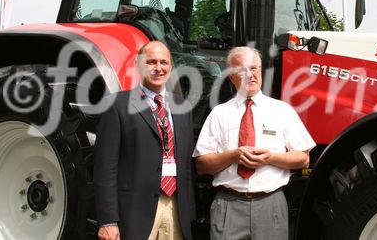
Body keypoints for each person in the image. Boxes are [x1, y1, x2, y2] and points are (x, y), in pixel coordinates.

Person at [193, 46, 316, 239]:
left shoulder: (282, 110)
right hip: (228, 206)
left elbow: (303, 159)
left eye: (254, 68)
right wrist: (233, 156)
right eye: (242, 70)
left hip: (271, 205)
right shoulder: (219, 114)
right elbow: (202, 165)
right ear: (231, 77)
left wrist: (270, 158)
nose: (250, 75)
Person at [94, 41, 196, 240]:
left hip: (174, 207)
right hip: (134, 212)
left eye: (164, 62)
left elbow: (187, 167)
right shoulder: (117, 105)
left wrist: (190, 213)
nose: (158, 68)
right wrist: (107, 220)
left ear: (171, 67)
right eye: (151, 62)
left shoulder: (183, 107)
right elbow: (105, 168)